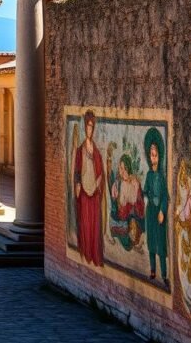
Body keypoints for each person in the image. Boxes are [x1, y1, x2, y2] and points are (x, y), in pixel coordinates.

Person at [73, 110, 104, 266]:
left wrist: (100, 182)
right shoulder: (80, 150)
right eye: (88, 126)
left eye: (92, 127)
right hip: (84, 192)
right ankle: (85, 251)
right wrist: (77, 183)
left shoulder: (96, 151)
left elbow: (100, 171)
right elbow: (77, 171)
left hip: (94, 193)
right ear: (85, 127)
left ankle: (93, 253)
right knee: (85, 224)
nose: (90, 130)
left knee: (94, 225)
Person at [142, 128, 169, 284]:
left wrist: (162, 211)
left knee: (161, 245)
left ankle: (164, 274)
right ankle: (153, 271)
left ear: (160, 156)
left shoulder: (161, 176)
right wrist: (144, 196)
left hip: (159, 213)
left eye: (156, 155)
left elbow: (165, 195)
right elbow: (145, 190)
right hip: (150, 211)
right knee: (152, 242)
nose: (154, 158)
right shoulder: (149, 175)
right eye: (151, 155)